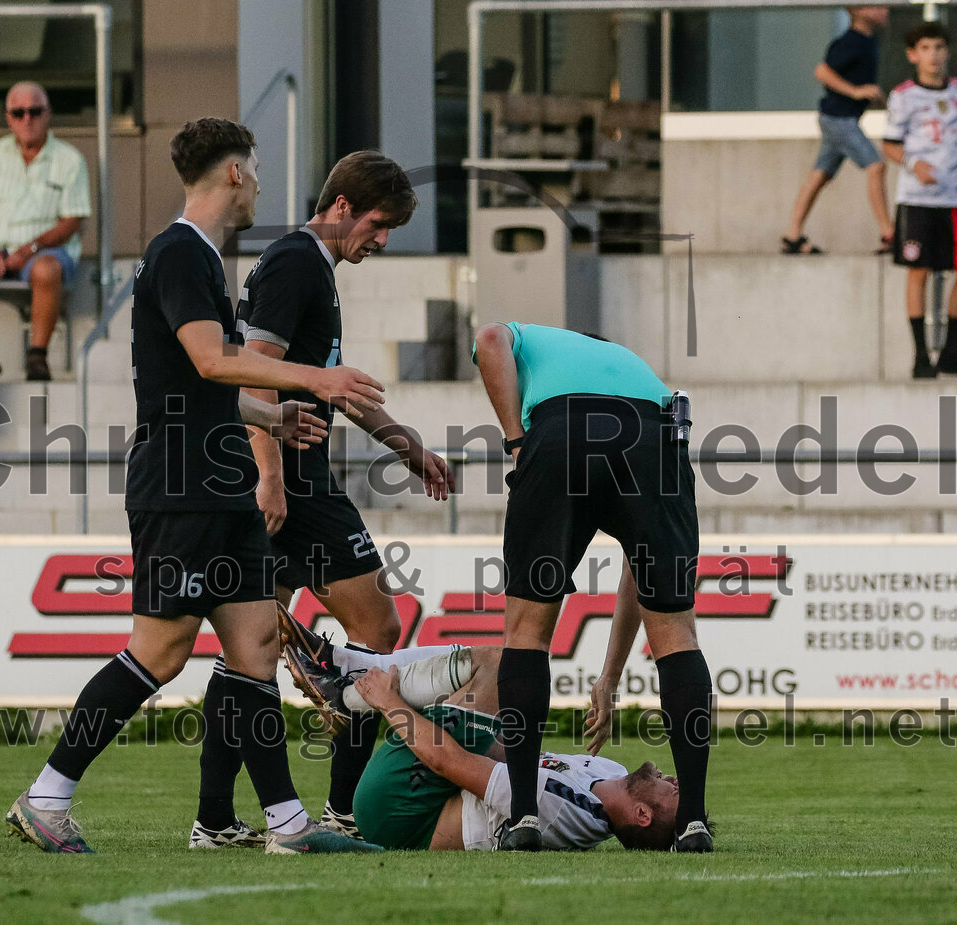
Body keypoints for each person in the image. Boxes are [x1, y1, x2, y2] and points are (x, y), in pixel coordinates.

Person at [5, 117, 386, 856]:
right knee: (160, 651)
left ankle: (286, 825)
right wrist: (314, 377)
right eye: (258, 171)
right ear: (235, 173)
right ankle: (47, 795)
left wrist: (270, 414)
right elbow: (212, 361)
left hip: (220, 485)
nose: (262, 187)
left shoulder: (201, 258)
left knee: (255, 642)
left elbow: (200, 384)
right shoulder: (180, 252)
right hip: (179, 484)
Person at [191, 150, 454, 843]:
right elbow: (257, 375)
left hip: (284, 472)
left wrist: (407, 445)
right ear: (341, 206)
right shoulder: (297, 262)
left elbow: (327, 383)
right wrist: (271, 474)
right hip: (290, 477)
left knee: (247, 649)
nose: (383, 239)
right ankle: (342, 807)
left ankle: (214, 818)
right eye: (378, 223)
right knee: (379, 629)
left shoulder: (310, 268)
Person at [472, 322, 712, 853]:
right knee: (675, 632)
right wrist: (609, 677)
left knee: (527, 633)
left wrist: (516, 440)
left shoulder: (524, 337)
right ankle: (692, 821)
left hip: (562, 433)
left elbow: (489, 339)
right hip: (655, 435)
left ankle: (526, 818)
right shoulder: (626, 361)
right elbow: (638, 567)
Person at [277, 614, 679, 852]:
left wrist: (391, 704)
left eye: (676, 792)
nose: (676, 779)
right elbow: (505, 752)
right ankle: (348, 673)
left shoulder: (561, 809)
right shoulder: (607, 768)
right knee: (504, 670)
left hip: (399, 811)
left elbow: (451, 761)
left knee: (504, 664)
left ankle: (346, 686)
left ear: (642, 816)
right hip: (430, 789)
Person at [0, 82, 91, 380]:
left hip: (45, 251)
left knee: (46, 270)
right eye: (19, 112)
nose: (27, 119)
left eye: (35, 111)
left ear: (48, 114)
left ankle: (37, 356)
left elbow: (73, 220)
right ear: (8, 117)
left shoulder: (70, 159)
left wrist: (30, 249)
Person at [781, 6, 893, 255]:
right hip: (839, 118)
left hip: (841, 117)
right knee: (876, 166)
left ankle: (792, 235)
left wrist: (871, 94)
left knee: (819, 176)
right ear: (859, 10)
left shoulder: (868, 41)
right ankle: (889, 233)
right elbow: (822, 71)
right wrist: (855, 91)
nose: (885, 9)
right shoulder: (851, 41)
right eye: (876, 4)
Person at [882, 22, 957, 379]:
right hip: (918, 199)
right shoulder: (904, 96)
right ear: (913, 55)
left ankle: (951, 349)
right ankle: (921, 355)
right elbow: (890, 145)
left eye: (939, 47)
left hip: (954, 197)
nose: (934, 55)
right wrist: (915, 164)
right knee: (919, 272)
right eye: (925, 48)